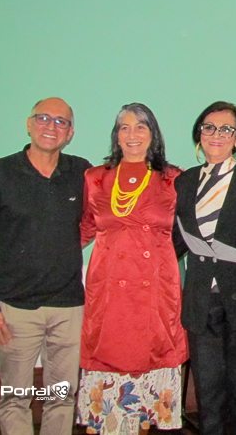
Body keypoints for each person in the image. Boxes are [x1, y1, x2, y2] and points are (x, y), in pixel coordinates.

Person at [0, 97, 90, 435]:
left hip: (68, 309)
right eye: (43, 118)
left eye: (61, 121)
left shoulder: (81, 172)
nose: (51, 126)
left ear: (70, 133)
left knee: (60, 397)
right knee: (15, 397)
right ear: (29, 124)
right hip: (14, 311)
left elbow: (101, 220)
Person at [76, 103, 188, 435]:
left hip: (155, 290)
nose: (132, 134)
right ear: (116, 135)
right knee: (109, 363)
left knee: (152, 365)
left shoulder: (173, 178)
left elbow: (192, 230)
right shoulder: (95, 178)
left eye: (140, 126)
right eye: (124, 127)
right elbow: (84, 228)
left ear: (153, 134)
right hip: (109, 290)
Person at [173, 101, 236, 434]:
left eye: (226, 129)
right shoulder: (185, 181)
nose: (216, 135)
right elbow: (175, 240)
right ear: (199, 134)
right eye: (209, 127)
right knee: (209, 396)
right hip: (201, 302)